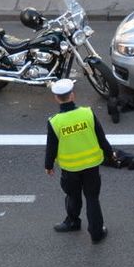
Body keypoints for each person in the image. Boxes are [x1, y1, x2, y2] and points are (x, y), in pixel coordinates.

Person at [44, 78, 112, 244]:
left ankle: (72, 221)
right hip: (91, 165)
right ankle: (96, 233)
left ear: (56, 98)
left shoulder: (55, 122)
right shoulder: (87, 113)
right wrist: (110, 155)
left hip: (70, 169)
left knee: (73, 196)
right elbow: (101, 138)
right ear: (72, 95)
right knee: (92, 198)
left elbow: (51, 146)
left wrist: (49, 165)